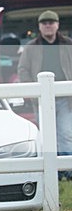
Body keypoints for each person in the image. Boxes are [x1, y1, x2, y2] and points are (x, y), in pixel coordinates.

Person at [17, 11, 72, 171]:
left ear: (57, 25)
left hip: (65, 98)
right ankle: (51, 170)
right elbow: (23, 69)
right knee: (47, 135)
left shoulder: (68, 44)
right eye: (44, 23)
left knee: (66, 133)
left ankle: (66, 171)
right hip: (41, 100)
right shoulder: (31, 47)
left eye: (51, 22)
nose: (48, 26)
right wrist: (33, 91)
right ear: (39, 27)